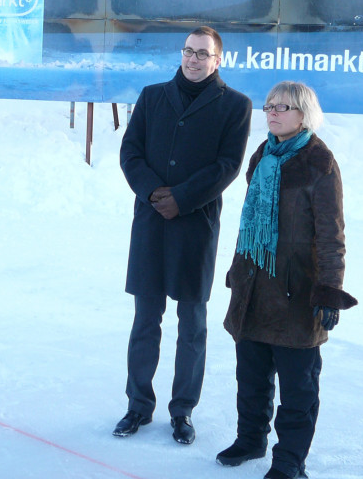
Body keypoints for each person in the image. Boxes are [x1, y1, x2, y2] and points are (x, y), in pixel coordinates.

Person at [114, 26, 252, 445]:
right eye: (188, 51)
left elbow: (228, 164)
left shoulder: (236, 105)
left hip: (195, 225)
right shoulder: (153, 96)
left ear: (218, 60)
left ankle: (182, 411)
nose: (193, 59)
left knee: (191, 324)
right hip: (152, 222)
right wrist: (155, 192)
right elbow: (130, 151)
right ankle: (138, 405)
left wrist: (183, 198)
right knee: (145, 320)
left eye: (202, 54)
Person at [217, 81, 358, 479]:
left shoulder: (319, 163)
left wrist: (329, 291)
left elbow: (332, 237)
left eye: (282, 107)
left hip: (296, 292)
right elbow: (251, 223)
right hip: (255, 285)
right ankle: (250, 439)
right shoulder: (263, 154)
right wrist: (237, 270)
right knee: (251, 376)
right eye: (269, 106)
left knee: (298, 388)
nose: (272, 113)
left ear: (303, 113)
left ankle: (290, 460)